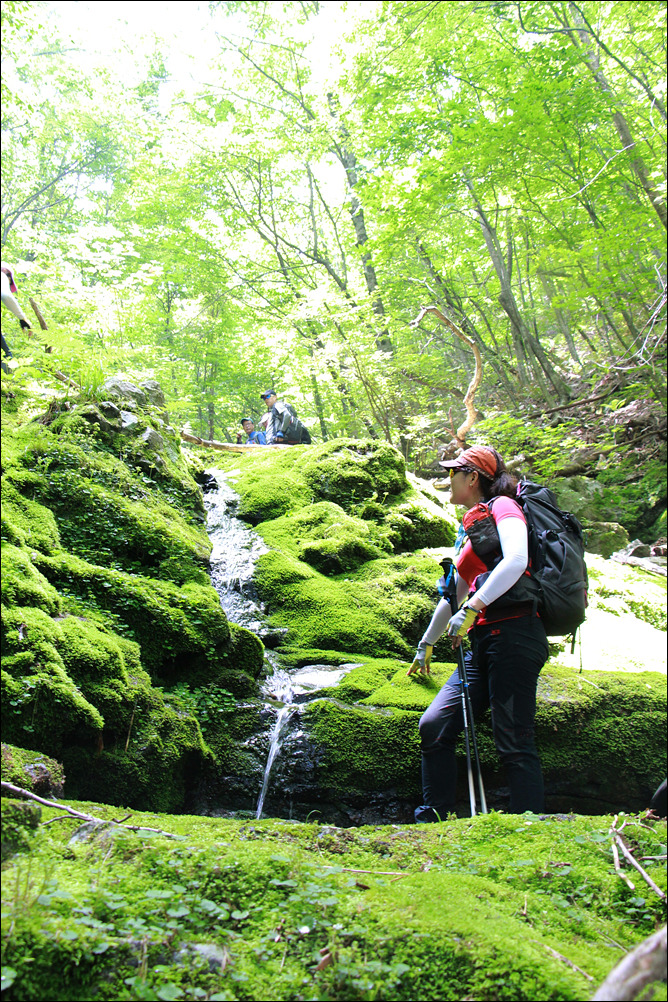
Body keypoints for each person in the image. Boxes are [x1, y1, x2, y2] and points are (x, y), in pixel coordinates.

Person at [407, 445, 549, 821]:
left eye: (452, 473)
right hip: (484, 643)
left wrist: (473, 608)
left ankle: (527, 829)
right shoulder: (472, 530)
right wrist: (425, 644)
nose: (447, 479)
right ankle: (434, 819)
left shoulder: (504, 506)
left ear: (472, 478)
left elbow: (516, 560)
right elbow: (454, 595)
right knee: (434, 725)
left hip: (516, 635)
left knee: (514, 740)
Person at [1, 263, 32, 372]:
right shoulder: (2, 275)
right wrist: (22, 318)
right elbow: (6, 296)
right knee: (7, 358)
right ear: (6, 272)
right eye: (10, 281)